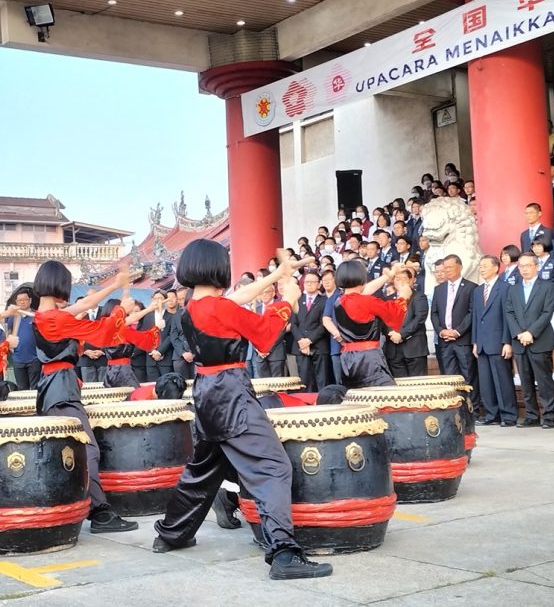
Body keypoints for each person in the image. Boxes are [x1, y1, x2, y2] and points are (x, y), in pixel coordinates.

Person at [153, 241, 331, 580]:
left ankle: (171, 534)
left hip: (205, 392)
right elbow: (265, 333)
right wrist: (288, 299)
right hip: (230, 391)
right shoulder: (219, 308)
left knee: (202, 469)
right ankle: (283, 552)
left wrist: (277, 275)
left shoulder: (193, 306)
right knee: (272, 467)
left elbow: (238, 299)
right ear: (217, 267)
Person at [30, 261, 141, 533]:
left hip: (54, 386)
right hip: (62, 388)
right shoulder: (56, 319)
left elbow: (81, 307)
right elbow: (102, 333)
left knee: (69, 450)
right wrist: (120, 311)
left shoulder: (45, 316)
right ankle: (99, 512)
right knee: (86, 450)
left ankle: (78, 507)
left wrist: (115, 285)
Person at [327, 259, 411, 389]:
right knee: (384, 394)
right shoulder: (367, 302)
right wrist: (404, 296)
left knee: (356, 395)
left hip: (348, 357)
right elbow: (393, 312)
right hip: (368, 358)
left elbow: (364, 291)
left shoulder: (339, 300)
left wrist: (389, 274)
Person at [505, 255, 554, 428]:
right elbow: (509, 312)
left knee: (544, 381)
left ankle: (549, 416)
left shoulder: (547, 286)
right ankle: (531, 415)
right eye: (521, 266)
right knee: (525, 381)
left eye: (528, 265)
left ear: (536, 266)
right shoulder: (513, 289)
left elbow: (547, 312)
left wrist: (531, 333)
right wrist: (519, 333)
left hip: (540, 340)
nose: (524, 269)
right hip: (520, 341)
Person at [471, 256, 518, 426]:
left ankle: (508, 415)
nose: (481, 269)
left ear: (496, 268)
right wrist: (475, 341)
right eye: (480, 266)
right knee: (486, 382)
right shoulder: (477, 291)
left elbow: (508, 317)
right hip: (482, 343)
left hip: (498, 341)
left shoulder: (505, 288)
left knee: (502, 380)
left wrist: (507, 341)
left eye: (485, 266)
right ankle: (491, 414)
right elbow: (476, 318)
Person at [431, 255, 477, 381]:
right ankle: (456, 401)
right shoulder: (439, 289)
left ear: (460, 267)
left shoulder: (472, 287)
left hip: (463, 341)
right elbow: (434, 313)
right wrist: (441, 331)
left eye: (450, 267)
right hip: (445, 341)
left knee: (468, 377)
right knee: (450, 378)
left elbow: (472, 313)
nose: (447, 270)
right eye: (445, 268)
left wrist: (457, 332)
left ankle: (472, 401)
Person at [383, 268, 429, 376]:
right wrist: (392, 333)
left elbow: (419, 318)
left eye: (404, 278)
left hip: (414, 348)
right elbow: (384, 320)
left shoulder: (419, 297)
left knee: (418, 386)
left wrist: (401, 335)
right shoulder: (388, 299)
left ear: (410, 280)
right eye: (397, 278)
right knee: (399, 387)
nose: (400, 281)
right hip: (393, 349)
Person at [292, 272, 329, 393]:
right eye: (307, 282)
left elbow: (324, 324)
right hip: (300, 346)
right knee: (304, 382)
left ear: (319, 285)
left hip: (319, 346)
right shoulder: (297, 300)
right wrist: (302, 341)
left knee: (322, 381)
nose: (309, 284)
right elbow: (293, 324)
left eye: (312, 282)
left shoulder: (324, 301)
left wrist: (309, 340)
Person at [6, 286, 41, 390]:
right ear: (16, 302)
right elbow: (9, 333)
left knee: (35, 389)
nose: (22, 302)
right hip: (18, 359)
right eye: (19, 300)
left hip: (34, 358)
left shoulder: (36, 315)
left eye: (24, 299)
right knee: (22, 389)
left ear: (30, 300)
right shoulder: (13, 317)